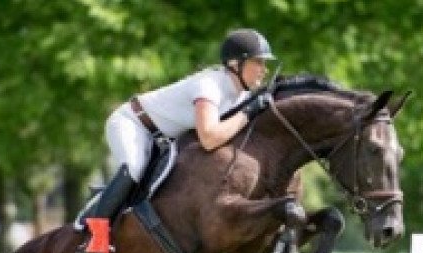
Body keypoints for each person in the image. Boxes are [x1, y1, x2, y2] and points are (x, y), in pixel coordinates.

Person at [75, 28, 276, 230]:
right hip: (133, 123)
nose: (264, 69)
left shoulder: (239, 95)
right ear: (236, 63)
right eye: (258, 62)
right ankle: (94, 234)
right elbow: (209, 138)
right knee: (135, 168)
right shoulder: (210, 86)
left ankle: (105, 197)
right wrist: (248, 113)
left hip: (161, 139)